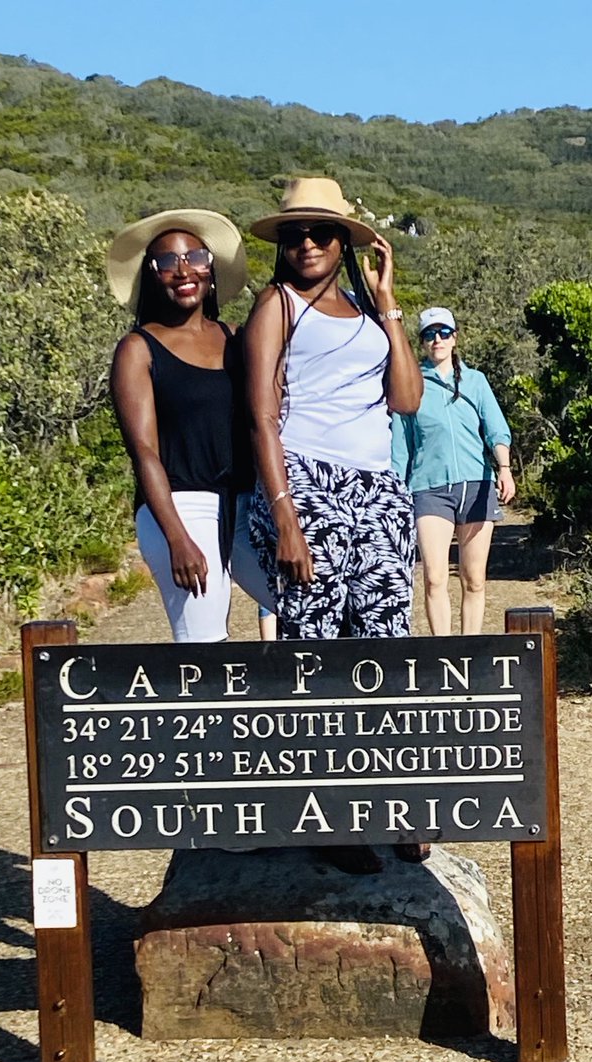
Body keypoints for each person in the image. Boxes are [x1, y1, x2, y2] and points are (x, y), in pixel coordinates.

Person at [244, 178, 425, 871]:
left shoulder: (366, 310)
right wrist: (285, 515)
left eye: (322, 233)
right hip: (308, 482)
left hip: (376, 486)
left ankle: (388, 805)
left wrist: (388, 304)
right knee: (314, 650)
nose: (308, 245)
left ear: (344, 241)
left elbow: (405, 399)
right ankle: (327, 816)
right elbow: (261, 415)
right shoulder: (276, 306)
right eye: (295, 235)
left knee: (381, 647)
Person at [106, 208, 272, 643]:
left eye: (195, 257)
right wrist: (176, 535)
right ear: (151, 273)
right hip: (182, 507)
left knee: (307, 605)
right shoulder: (138, 349)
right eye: (167, 261)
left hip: (243, 507)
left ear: (211, 268)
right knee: (204, 645)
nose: (183, 271)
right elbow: (143, 451)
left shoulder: (237, 337)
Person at [392, 307, 516, 636]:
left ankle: (469, 651)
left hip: (477, 485)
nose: (437, 340)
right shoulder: (411, 384)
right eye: (430, 334)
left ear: (455, 338)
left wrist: (504, 468)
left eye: (444, 333)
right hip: (428, 488)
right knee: (434, 577)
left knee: (473, 578)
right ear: (421, 342)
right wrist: (395, 491)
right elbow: (400, 446)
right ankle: (443, 652)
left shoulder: (475, 381)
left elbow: (496, 430)